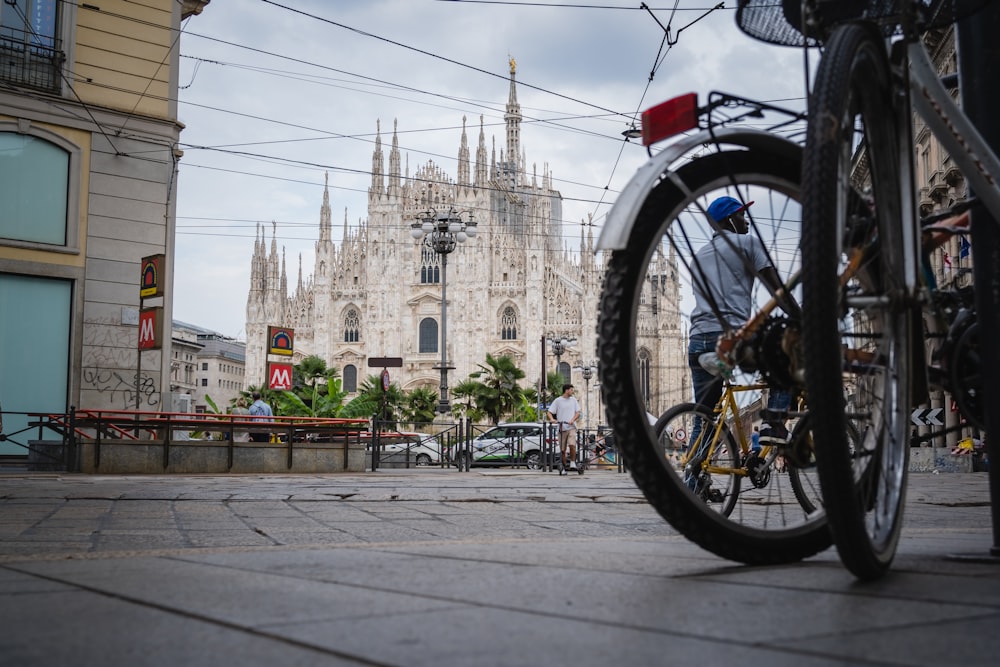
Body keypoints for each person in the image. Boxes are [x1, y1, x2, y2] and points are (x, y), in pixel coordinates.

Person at [688, 196, 797, 452]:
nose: (746, 221)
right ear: (729, 220)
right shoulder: (747, 243)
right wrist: (804, 320)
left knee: (703, 418)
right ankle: (775, 422)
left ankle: (690, 484)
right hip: (731, 335)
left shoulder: (698, 256)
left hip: (697, 339)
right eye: (741, 215)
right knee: (784, 357)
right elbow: (778, 291)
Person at [548, 383, 581, 470]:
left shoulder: (573, 400)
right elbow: (549, 412)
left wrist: (572, 420)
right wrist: (552, 419)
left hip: (571, 427)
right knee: (562, 450)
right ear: (566, 390)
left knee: (572, 445)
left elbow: (578, 412)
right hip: (561, 427)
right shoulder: (558, 401)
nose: (572, 391)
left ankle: (573, 463)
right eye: (571, 390)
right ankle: (564, 465)